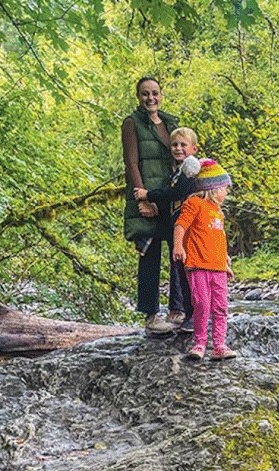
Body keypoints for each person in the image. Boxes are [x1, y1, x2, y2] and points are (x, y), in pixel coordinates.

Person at [133, 127, 222, 332]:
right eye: (174, 145)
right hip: (181, 224)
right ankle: (190, 313)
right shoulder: (179, 168)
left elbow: (176, 192)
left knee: (188, 270)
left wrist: (149, 195)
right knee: (182, 269)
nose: (178, 148)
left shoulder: (191, 167)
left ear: (194, 148)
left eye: (183, 145)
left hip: (191, 227)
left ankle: (193, 315)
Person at [121, 76, 185, 334]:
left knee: (177, 251)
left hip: (168, 196)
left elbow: (180, 156)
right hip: (146, 195)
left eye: (155, 93)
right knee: (149, 254)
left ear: (161, 95)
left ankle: (177, 310)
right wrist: (142, 200)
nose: (151, 98)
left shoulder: (170, 123)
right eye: (145, 94)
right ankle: (150, 316)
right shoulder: (132, 123)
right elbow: (132, 163)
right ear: (138, 97)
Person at [172, 163, 237, 360]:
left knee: (221, 306)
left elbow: (219, 238)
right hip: (198, 264)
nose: (226, 192)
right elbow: (180, 225)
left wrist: (225, 261)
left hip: (217, 267)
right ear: (214, 187)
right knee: (201, 304)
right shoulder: (194, 204)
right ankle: (199, 343)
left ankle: (219, 345)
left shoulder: (217, 210)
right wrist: (178, 246)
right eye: (225, 188)